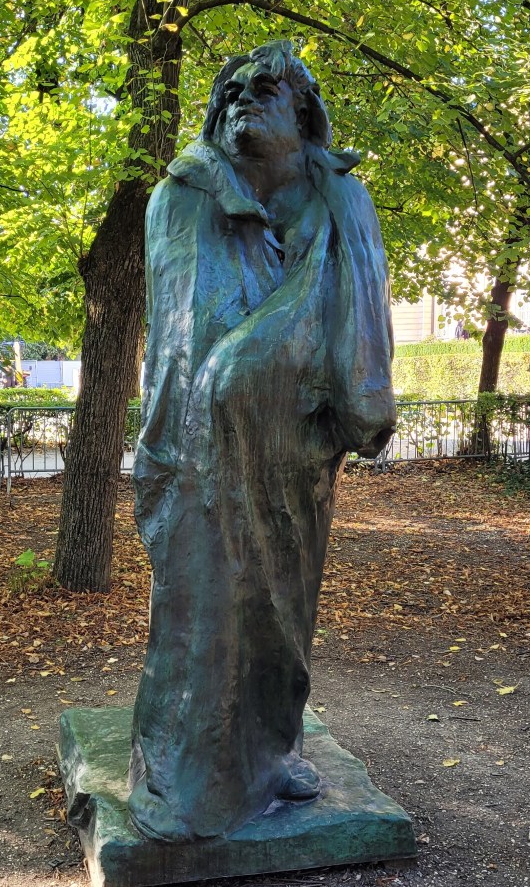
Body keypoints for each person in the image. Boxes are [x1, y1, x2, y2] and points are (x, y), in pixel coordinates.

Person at [129, 41, 396, 842]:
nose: (245, 95)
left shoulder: (341, 200)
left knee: (285, 611)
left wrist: (363, 406)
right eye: (234, 90)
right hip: (203, 453)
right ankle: (188, 774)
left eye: (267, 88)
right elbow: (178, 341)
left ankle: (272, 749)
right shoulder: (182, 198)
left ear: (305, 113)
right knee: (205, 606)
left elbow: (365, 310)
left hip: (298, 445)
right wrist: (182, 447)